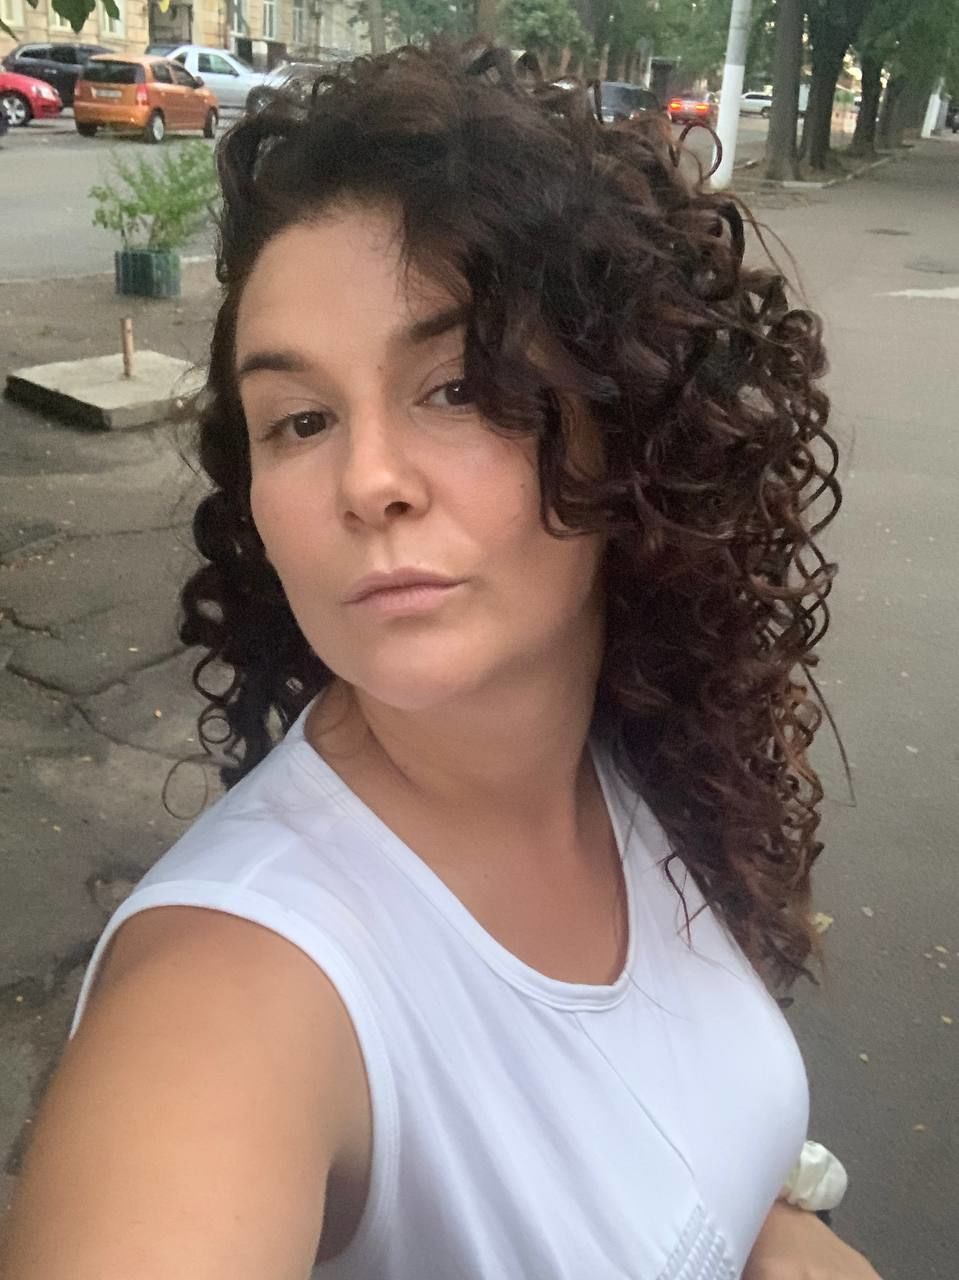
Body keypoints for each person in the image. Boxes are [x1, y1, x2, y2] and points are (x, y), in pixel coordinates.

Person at [0, 42, 881, 1280]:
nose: (366, 480)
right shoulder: (226, 998)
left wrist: (763, 1223)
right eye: (300, 419)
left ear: (625, 417)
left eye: (457, 385)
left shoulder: (629, 750)